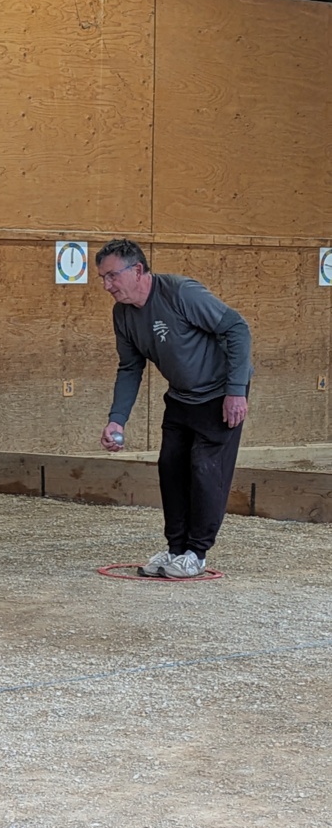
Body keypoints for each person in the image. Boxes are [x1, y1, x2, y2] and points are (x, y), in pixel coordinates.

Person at [96, 239, 253, 578]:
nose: (107, 286)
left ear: (137, 270)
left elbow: (237, 328)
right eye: (103, 278)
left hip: (218, 394)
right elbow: (130, 367)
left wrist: (236, 390)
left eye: (111, 276)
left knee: (205, 469)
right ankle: (176, 549)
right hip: (181, 396)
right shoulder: (123, 314)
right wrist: (117, 420)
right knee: (170, 467)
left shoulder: (181, 293)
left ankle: (197, 553)